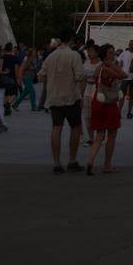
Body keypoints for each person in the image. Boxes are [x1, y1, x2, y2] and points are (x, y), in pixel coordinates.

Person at [39, 36, 86, 174]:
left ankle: (56, 163)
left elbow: (41, 75)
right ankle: (72, 160)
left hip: (54, 97)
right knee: (75, 127)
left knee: (56, 128)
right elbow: (80, 75)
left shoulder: (51, 56)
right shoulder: (74, 55)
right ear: (71, 40)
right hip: (71, 96)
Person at [86, 44, 125, 175]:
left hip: (97, 102)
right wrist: (113, 65)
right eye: (110, 52)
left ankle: (90, 160)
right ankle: (107, 165)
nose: (113, 54)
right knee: (112, 135)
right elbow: (122, 75)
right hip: (108, 104)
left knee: (99, 136)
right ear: (105, 55)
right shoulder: (107, 68)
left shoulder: (98, 68)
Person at [12, 47, 38, 112]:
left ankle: (15, 104)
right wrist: (19, 78)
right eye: (33, 52)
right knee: (32, 92)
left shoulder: (33, 59)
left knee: (24, 93)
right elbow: (22, 68)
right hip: (27, 77)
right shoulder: (27, 60)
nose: (35, 53)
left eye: (35, 52)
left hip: (30, 78)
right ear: (30, 53)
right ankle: (34, 106)